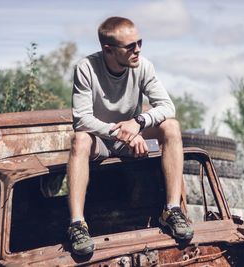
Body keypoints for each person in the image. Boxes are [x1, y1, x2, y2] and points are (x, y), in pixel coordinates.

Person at [67, 16, 193, 256]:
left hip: (133, 136)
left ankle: (172, 210)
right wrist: (122, 133)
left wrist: (138, 123)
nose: (138, 50)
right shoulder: (86, 68)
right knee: (79, 139)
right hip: (100, 141)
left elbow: (167, 107)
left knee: (172, 127)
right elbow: (81, 119)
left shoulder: (143, 66)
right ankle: (77, 225)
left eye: (140, 42)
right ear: (108, 50)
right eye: (130, 46)